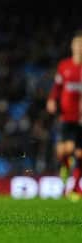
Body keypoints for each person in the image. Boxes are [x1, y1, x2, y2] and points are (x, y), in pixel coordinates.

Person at [46, 29, 82, 200]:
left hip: (80, 118)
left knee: (80, 153)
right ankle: (65, 167)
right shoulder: (64, 66)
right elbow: (57, 87)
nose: (79, 48)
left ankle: (74, 188)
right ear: (72, 46)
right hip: (65, 116)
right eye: (77, 44)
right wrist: (52, 100)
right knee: (62, 152)